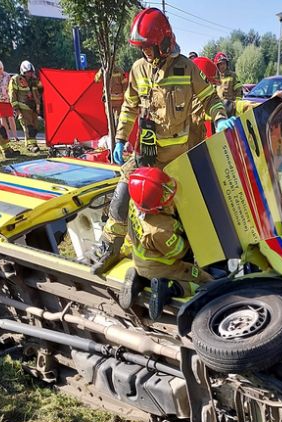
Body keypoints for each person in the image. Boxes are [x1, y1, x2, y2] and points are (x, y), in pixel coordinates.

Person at [92, 8, 229, 271]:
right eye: (141, 48)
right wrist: (120, 138)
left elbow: (210, 98)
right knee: (122, 193)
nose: (145, 52)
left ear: (164, 42)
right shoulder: (138, 69)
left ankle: (204, 260)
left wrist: (220, 117)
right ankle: (108, 248)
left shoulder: (186, 68)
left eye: (149, 47)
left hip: (180, 158)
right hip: (147, 153)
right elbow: (130, 106)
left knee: (190, 209)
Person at [127, 166, 211, 317]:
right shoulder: (160, 231)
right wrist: (193, 236)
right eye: (164, 195)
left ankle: (142, 280)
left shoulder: (136, 202)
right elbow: (180, 252)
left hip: (140, 259)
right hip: (163, 266)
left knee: (149, 270)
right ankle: (169, 288)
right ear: (153, 207)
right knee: (205, 281)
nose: (169, 195)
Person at [9, 61, 44, 153]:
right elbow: (12, 94)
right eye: (28, 72)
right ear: (23, 72)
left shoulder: (34, 80)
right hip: (23, 108)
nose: (30, 74)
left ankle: (31, 143)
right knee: (29, 128)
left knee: (35, 127)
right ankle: (31, 146)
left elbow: (40, 91)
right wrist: (16, 109)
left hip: (33, 108)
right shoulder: (16, 79)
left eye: (31, 72)